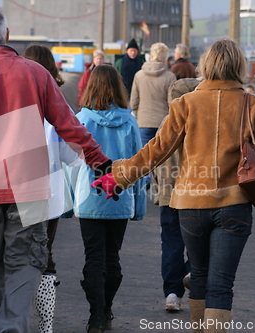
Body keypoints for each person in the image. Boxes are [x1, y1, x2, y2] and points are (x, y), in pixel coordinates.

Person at [93, 38, 255, 333]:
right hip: (235, 204)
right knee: (221, 285)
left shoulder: (186, 103)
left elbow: (156, 151)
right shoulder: (252, 104)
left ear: (206, 65)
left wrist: (117, 177)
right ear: (239, 66)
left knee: (198, 276)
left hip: (191, 205)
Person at [0, 8, 112, 333]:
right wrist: (98, 159)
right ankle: (11, 327)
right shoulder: (36, 74)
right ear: (7, 35)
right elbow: (68, 124)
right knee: (25, 264)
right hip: (30, 191)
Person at [70, 65, 146, 333]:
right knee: (112, 257)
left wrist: (71, 202)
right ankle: (107, 310)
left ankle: (95, 317)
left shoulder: (80, 120)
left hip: (89, 199)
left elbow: (71, 166)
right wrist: (139, 206)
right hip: (120, 198)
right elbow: (139, 167)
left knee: (93, 258)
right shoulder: (130, 121)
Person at [21, 44, 82, 333]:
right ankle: (46, 327)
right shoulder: (59, 104)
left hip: (14, 192)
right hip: (50, 194)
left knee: (13, 256)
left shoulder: (10, 100)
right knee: (45, 257)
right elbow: (73, 156)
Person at [155, 77, 201, 312]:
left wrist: (157, 187)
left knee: (171, 244)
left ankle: (172, 294)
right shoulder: (201, 124)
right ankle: (192, 272)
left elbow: (155, 157)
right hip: (194, 194)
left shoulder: (166, 122)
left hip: (168, 194)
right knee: (198, 241)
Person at [130, 42, 176, 189]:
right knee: (161, 155)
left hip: (143, 121)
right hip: (162, 121)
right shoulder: (170, 77)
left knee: (145, 155)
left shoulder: (139, 75)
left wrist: (137, 115)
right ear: (165, 57)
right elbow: (172, 102)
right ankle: (160, 184)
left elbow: (134, 100)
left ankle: (146, 180)